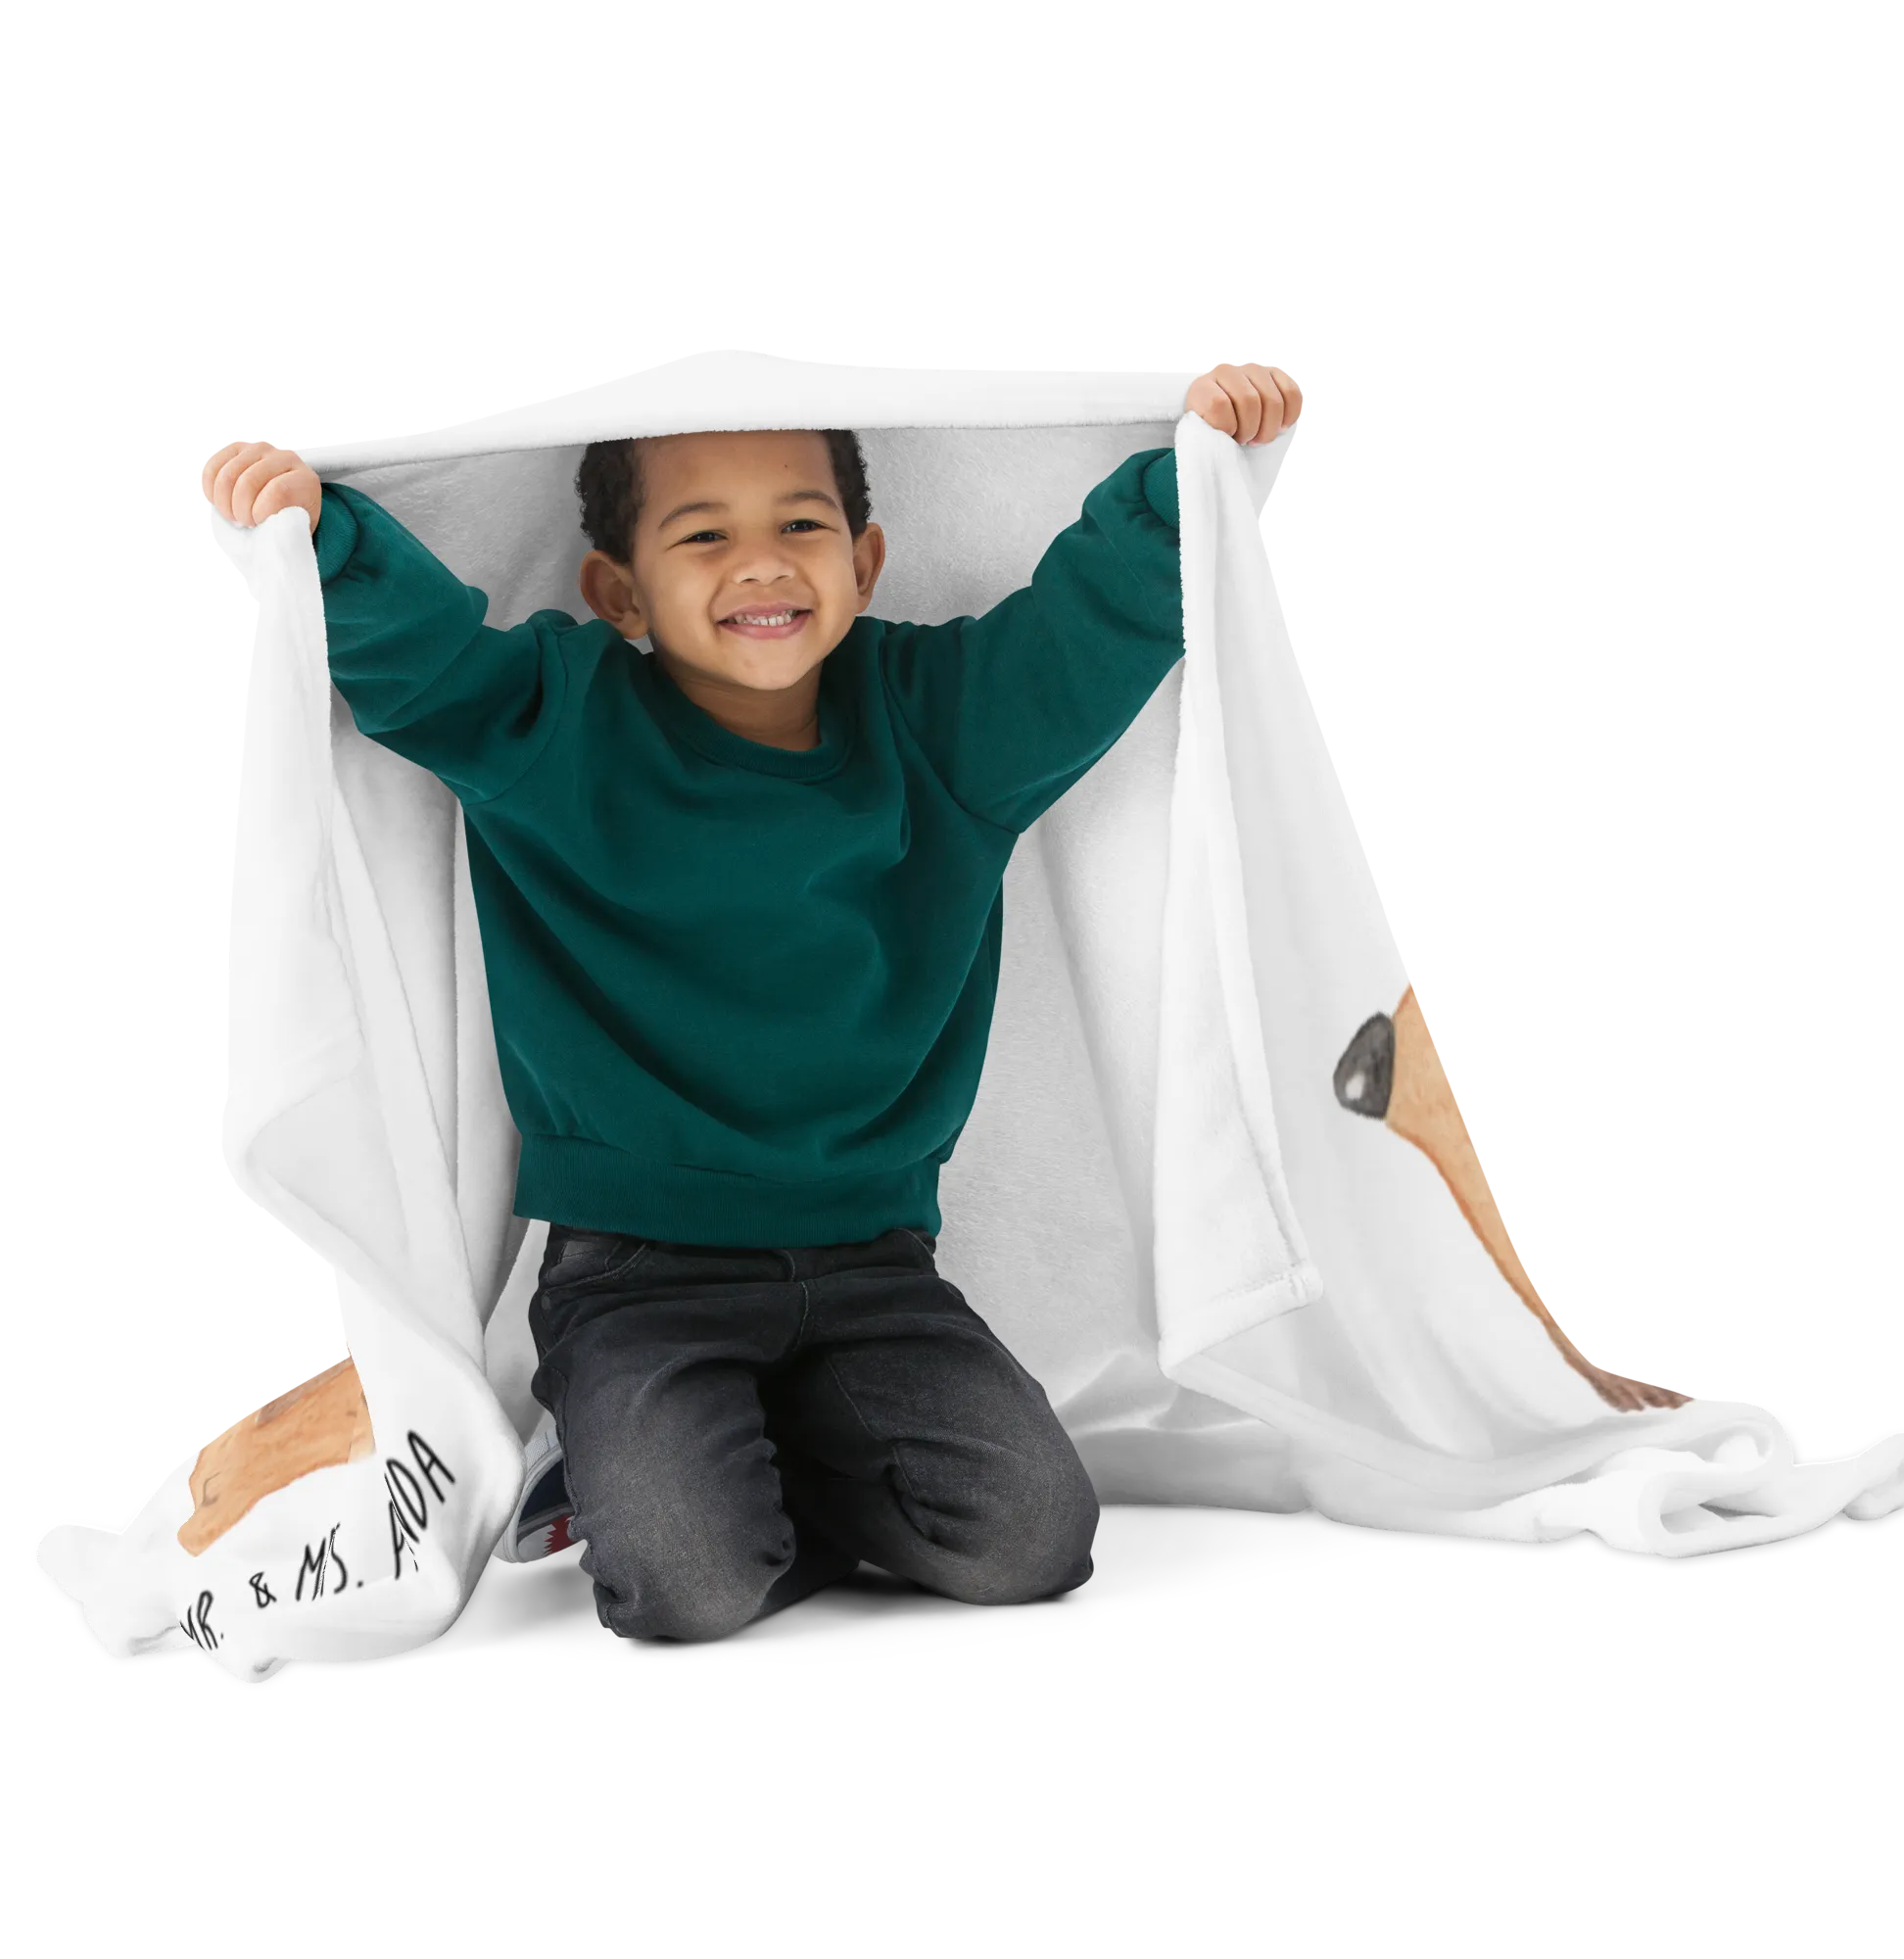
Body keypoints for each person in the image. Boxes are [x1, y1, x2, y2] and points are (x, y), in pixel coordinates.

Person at [194, 362, 1305, 1640]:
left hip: (876, 1262)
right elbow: (427, 664)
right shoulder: (559, 727)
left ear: (865, 563)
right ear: (619, 592)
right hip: (635, 1273)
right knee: (694, 1582)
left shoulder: (941, 724)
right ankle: (632, 1464)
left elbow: (1086, 636)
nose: (763, 563)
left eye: (801, 524)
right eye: (704, 536)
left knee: (1031, 1542)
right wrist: (319, 535)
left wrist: (1194, 479)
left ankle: (739, 1458)